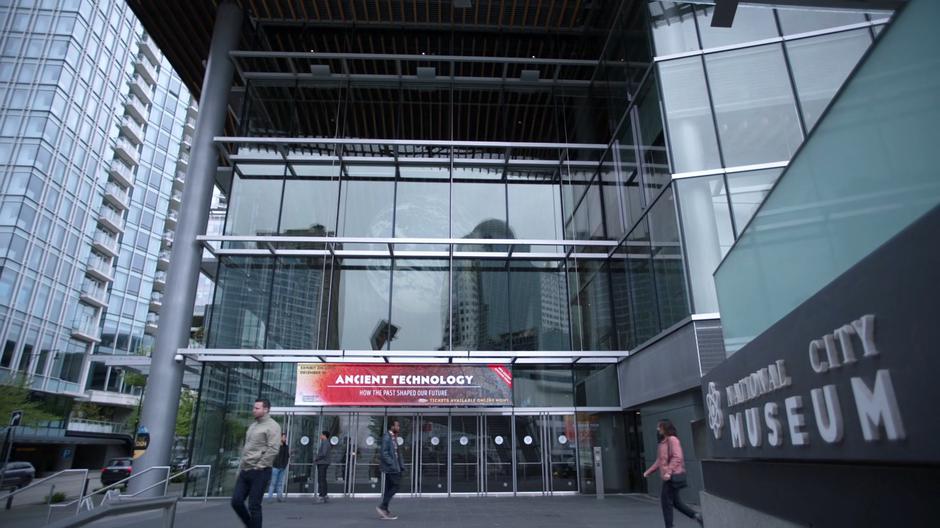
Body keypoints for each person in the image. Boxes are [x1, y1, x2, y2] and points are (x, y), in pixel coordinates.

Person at [231, 398, 281, 528]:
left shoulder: (273, 426)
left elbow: (273, 449)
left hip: (260, 471)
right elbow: (246, 448)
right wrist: (240, 468)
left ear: (266, 409)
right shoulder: (253, 426)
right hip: (245, 470)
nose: (254, 410)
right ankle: (251, 525)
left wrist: (260, 465)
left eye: (257, 408)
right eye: (254, 407)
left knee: (254, 505)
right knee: (236, 501)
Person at [643, 420, 703, 528]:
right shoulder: (663, 442)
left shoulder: (672, 440)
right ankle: (697, 516)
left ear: (665, 428)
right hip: (668, 477)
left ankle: (669, 526)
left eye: (659, 427)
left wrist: (669, 472)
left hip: (672, 476)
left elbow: (677, 457)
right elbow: (660, 460)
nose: (657, 429)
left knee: (666, 502)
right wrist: (649, 471)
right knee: (676, 502)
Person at [376, 420, 405, 520]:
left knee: (389, 488)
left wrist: (401, 465)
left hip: (394, 467)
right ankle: (382, 507)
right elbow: (384, 453)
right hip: (391, 468)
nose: (399, 428)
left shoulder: (393, 437)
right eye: (397, 426)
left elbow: (397, 453)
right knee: (396, 486)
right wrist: (393, 464)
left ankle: (384, 510)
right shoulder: (387, 437)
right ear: (392, 427)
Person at [267, 433, 289, 502]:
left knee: (280, 483)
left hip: (282, 467)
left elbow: (287, 457)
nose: (285, 439)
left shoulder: (286, 447)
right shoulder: (275, 446)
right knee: (273, 483)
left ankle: (279, 497)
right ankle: (269, 498)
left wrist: (284, 465)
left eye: (285, 437)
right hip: (275, 467)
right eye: (284, 437)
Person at [314, 430, 331, 502]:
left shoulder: (325, 443)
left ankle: (321, 495)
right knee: (323, 479)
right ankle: (325, 494)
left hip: (322, 463)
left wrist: (316, 458)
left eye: (321, 435)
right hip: (325, 462)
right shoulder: (327, 443)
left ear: (324, 435)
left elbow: (323, 453)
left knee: (321, 479)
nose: (320, 436)